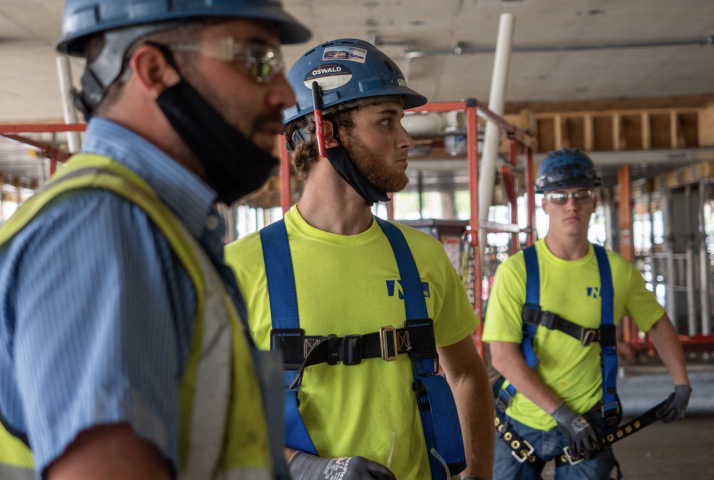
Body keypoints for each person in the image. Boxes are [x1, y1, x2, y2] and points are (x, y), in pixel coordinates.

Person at [0, 1, 311, 479]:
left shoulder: (156, 226)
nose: (283, 93)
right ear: (153, 68)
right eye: (256, 61)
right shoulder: (101, 230)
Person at [225, 38, 494, 480]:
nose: (406, 140)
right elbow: (206, 414)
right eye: (386, 122)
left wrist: (478, 473)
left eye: (401, 122)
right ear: (326, 131)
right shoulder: (240, 268)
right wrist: (307, 468)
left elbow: (465, 374)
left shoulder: (420, 256)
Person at [483, 148, 692, 480]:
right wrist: (564, 415)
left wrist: (681, 383)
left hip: (591, 419)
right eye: (559, 195)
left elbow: (657, 322)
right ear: (543, 203)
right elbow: (504, 357)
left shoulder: (615, 271)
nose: (571, 204)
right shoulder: (518, 271)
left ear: (595, 201)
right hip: (522, 421)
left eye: (582, 195)